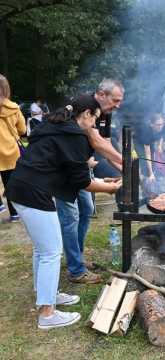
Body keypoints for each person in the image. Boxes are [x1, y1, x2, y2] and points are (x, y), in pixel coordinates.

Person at [6, 94, 121, 330]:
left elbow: (67, 168)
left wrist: (98, 177)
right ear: (86, 114)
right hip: (33, 192)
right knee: (51, 252)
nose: (94, 126)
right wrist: (110, 188)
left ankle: (46, 294)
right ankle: (47, 314)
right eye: (94, 120)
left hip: (20, 187)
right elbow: (82, 182)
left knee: (42, 249)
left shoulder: (53, 125)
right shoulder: (74, 136)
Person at [56, 79, 124, 284]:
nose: (118, 104)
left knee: (86, 208)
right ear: (101, 94)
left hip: (80, 165)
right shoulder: (86, 105)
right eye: (115, 99)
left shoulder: (106, 112)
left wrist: (123, 166)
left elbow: (105, 142)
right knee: (70, 217)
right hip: (64, 167)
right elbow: (95, 141)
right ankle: (76, 270)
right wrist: (125, 162)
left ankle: (77, 257)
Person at [0, 74, 26, 222]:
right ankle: (14, 213)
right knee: (10, 182)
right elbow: (22, 130)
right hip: (11, 151)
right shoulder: (14, 108)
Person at [134, 113, 165, 182]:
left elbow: (161, 136)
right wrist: (150, 173)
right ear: (151, 124)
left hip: (150, 140)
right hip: (139, 141)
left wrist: (159, 146)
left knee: (153, 159)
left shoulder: (161, 127)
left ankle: (153, 176)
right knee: (144, 159)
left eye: (162, 124)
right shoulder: (146, 132)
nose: (160, 126)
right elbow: (147, 155)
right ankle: (145, 178)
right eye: (158, 125)